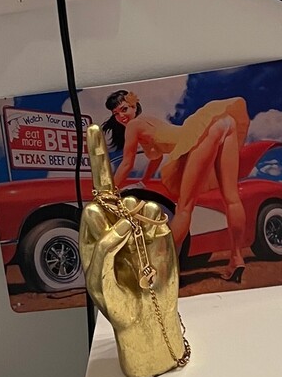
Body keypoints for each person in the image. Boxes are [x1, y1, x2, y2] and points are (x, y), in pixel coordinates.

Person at [103, 90, 250, 282]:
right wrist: (144, 181)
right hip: (224, 122)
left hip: (200, 133)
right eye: (116, 113)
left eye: (124, 109)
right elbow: (155, 158)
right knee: (231, 198)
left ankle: (161, 271)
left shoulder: (133, 126)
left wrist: (107, 191)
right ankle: (237, 259)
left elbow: (126, 164)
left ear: (134, 106)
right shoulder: (148, 122)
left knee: (184, 209)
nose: (121, 116)